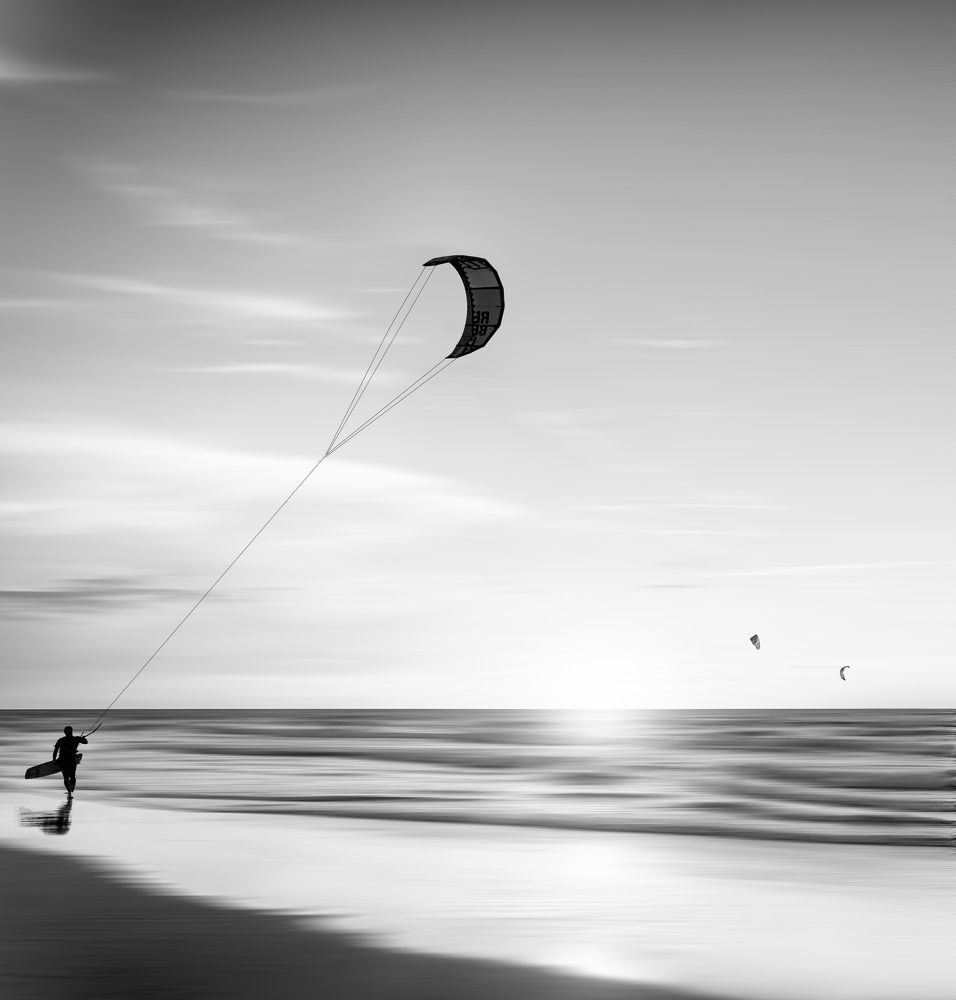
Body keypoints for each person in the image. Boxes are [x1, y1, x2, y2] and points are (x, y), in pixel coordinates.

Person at [52, 726, 88, 797]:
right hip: (71, 760)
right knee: (72, 776)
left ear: (65, 732)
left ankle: (69, 792)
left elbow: (55, 750)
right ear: (71, 731)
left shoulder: (61, 740)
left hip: (63, 760)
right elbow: (85, 742)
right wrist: (82, 739)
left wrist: (54, 760)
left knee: (66, 777)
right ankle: (71, 790)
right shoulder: (76, 739)